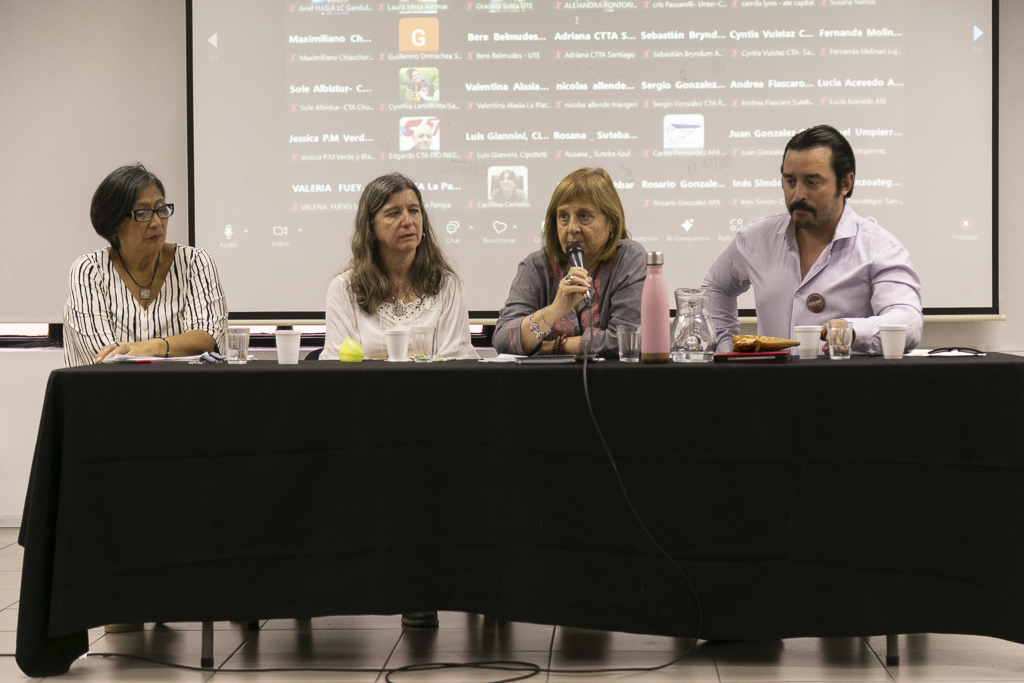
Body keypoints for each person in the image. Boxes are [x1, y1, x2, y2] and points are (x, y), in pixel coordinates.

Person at [702, 124, 923, 355]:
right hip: (769, 378)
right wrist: (725, 347)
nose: (798, 195)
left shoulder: (880, 249)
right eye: (790, 181)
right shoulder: (756, 238)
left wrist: (853, 331)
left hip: (844, 377)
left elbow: (909, 322)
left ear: (845, 184)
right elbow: (716, 287)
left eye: (812, 182)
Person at [63, 164, 228, 367]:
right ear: (113, 224)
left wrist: (152, 346)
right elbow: (106, 356)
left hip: (182, 386)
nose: (157, 222)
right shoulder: (90, 270)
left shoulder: (195, 262)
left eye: (161, 209)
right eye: (142, 213)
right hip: (107, 387)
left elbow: (208, 337)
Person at [322, 172, 478, 364]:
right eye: (393, 213)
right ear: (370, 228)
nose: (408, 221)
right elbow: (342, 365)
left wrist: (382, 361)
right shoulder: (344, 288)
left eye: (414, 211)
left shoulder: (447, 285)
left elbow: (455, 362)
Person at [494, 167, 646, 357]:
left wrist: (554, 346)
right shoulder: (535, 266)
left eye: (584, 216)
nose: (572, 228)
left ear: (612, 223)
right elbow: (503, 340)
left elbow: (627, 340)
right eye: (563, 217)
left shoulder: (629, 258)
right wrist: (555, 309)